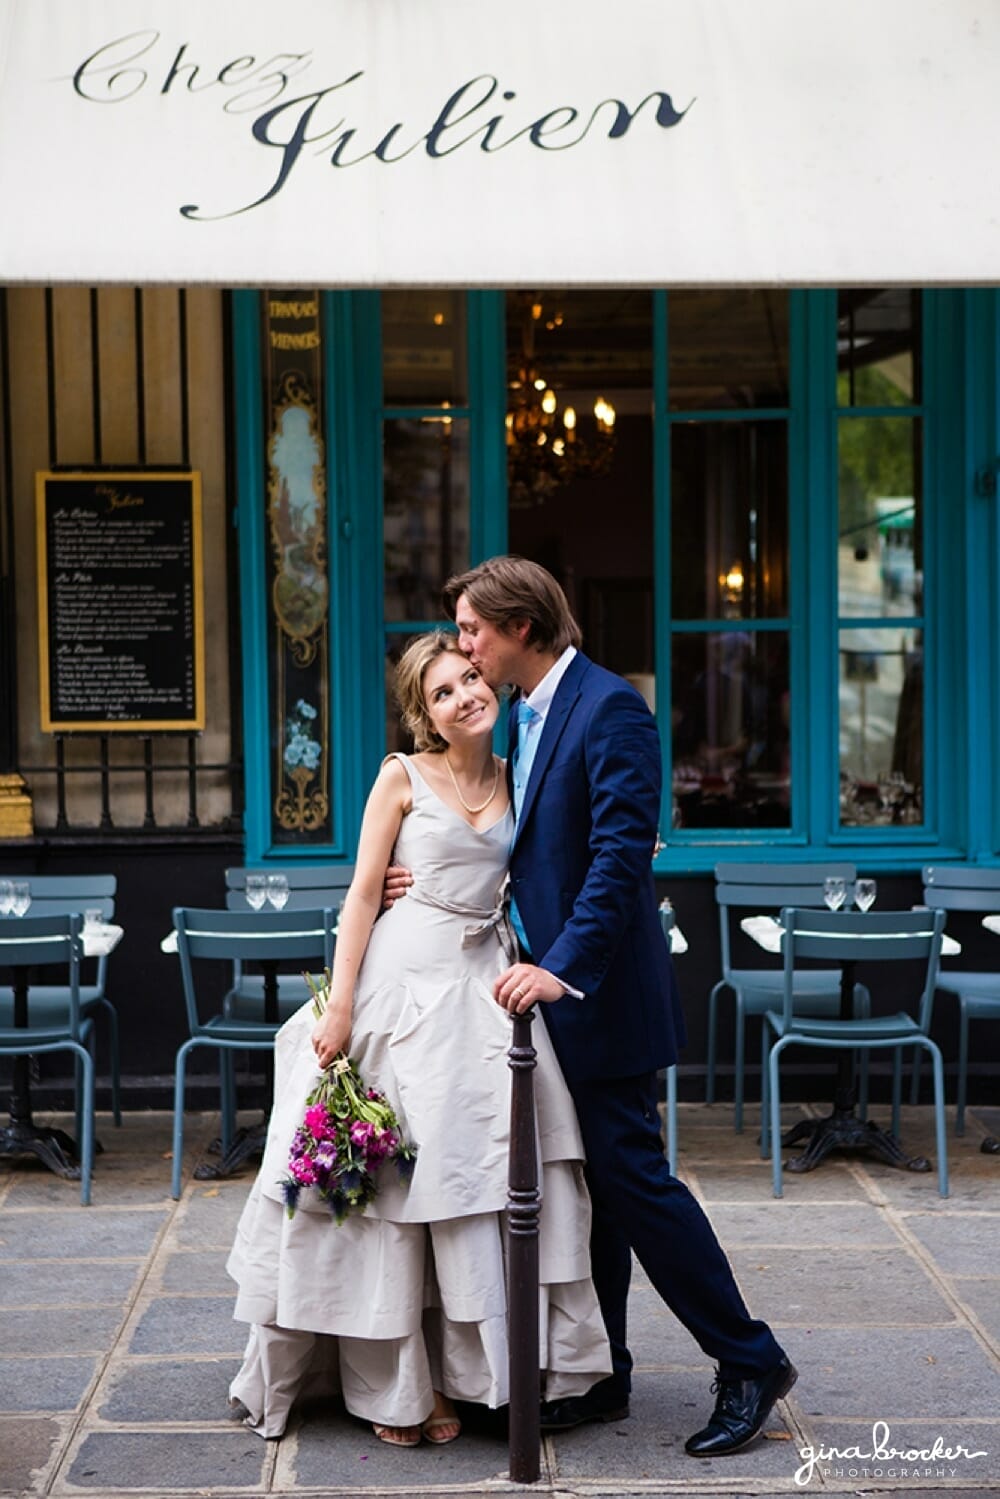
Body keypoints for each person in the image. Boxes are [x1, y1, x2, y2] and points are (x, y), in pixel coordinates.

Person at [386, 557, 797, 1458]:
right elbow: (510, 840)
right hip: (542, 999)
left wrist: (557, 969)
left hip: (600, 996)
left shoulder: (610, 706)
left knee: (635, 1184)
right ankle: (603, 1368)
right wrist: (410, 873)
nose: (462, 645)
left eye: (472, 629)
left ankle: (750, 1355)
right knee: (598, 1195)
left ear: (520, 626)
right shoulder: (525, 716)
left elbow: (619, 863)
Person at [225, 631, 611, 1446]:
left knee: (479, 1184)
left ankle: (482, 1377)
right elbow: (364, 896)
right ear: (423, 713)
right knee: (391, 1193)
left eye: (471, 676)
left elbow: (553, 868)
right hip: (401, 987)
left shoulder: (522, 778)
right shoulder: (401, 776)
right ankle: (398, 1385)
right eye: (442, 690)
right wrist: (340, 1007)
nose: (464, 694)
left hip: (486, 986)